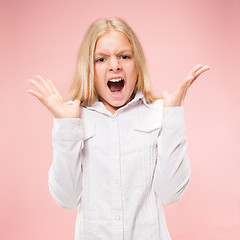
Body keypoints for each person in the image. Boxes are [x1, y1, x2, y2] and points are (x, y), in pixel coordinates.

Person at [28, 17, 210, 240]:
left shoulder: (158, 113)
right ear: (89, 68)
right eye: (101, 59)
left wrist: (172, 117)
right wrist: (66, 127)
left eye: (124, 56)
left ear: (137, 64)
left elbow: (171, 193)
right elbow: (66, 198)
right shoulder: (74, 117)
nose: (115, 65)